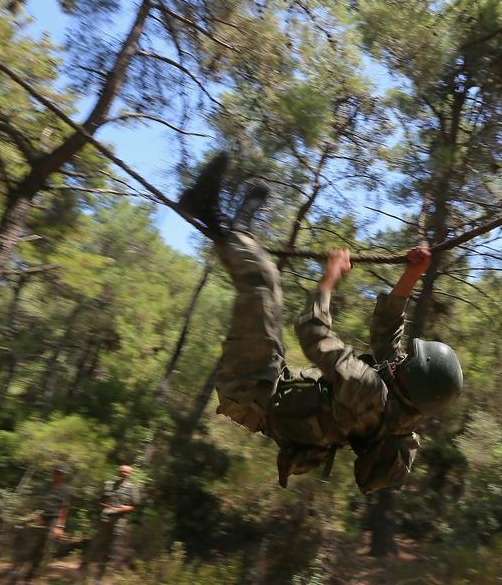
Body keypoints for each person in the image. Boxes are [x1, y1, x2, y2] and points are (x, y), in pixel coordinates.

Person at [177, 152, 463, 493]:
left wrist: (330, 277)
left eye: (408, 361)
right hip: (271, 382)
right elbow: (389, 328)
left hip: (249, 387)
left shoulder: (368, 390)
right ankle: (237, 230)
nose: (402, 357)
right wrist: (413, 274)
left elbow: (312, 331)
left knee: (262, 280)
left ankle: (207, 211)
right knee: (263, 280)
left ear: (412, 377)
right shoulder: (400, 406)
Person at [7, 466, 70, 583]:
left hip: (54, 519)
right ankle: (16, 569)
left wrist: (60, 527)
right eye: (57, 473)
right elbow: (35, 502)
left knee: (44, 547)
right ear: (53, 473)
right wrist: (36, 515)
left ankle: (29, 575)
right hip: (39, 516)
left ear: (64, 476)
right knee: (28, 543)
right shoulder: (44, 487)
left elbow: (64, 510)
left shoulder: (65, 490)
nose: (58, 475)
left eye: (61, 474)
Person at [80, 464, 140, 583]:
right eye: (122, 471)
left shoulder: (132, 488)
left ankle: (99, 576)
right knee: (96, 542)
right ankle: (83, 565)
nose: (124, 474)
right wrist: (107, 507)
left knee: (110, 547)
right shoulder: (109, 484)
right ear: (118, 472)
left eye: (126, 472)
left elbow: (134, 505)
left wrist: (121, 509)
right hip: (105, 518)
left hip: (119, 521)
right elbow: (100, 500)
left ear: (130, 474)